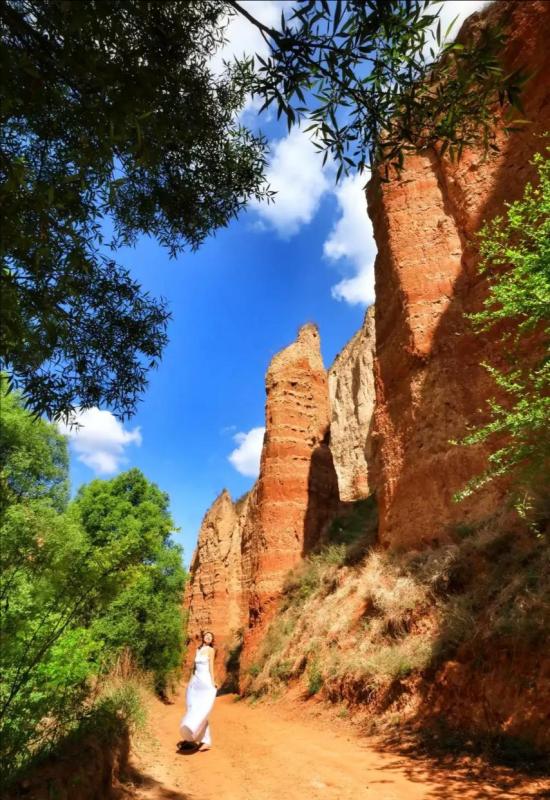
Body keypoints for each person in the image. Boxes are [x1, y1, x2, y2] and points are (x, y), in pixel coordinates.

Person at [178, 631, 218, 752]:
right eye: (206, 635)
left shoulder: (211, 650)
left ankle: (206, 741)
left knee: (202, 711)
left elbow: (211, 667)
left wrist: (213, 681)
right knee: (192, 708)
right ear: (203, 637)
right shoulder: (198, 649)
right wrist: (190, 682)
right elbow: (194, 669)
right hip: (195, 682)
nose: (208, 637)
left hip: (205, 683)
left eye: (210, 637)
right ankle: (193, 737)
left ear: (212, 640)